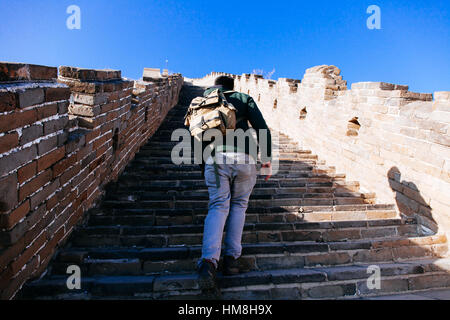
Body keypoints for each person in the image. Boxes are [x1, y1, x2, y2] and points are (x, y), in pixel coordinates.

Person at [196, 75, 272, 289]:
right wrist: (266, 161)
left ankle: (209, 261)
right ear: (232, 87)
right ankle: (231, 260)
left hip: (214, 158)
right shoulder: (242, 97)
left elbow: (195, 134)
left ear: (214, 86)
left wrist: (204, 165)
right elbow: (262, 128)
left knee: (218, 206)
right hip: (244, 157)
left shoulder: (204, 100)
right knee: (239, 205)